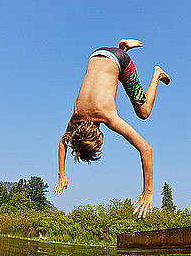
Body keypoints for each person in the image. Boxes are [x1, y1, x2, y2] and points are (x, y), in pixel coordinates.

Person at [54, 39, 170, 218]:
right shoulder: (76, 116)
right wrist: (62, 173)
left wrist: (147, 191)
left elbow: (146, 149)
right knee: (115, 75)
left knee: (144, 112)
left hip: (120, 60)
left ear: (97, 136)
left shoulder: (107, 116)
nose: (103, 142)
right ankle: (122, 46)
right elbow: (63, 142)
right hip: (96, 55)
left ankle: (156, 74)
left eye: (100, 143)